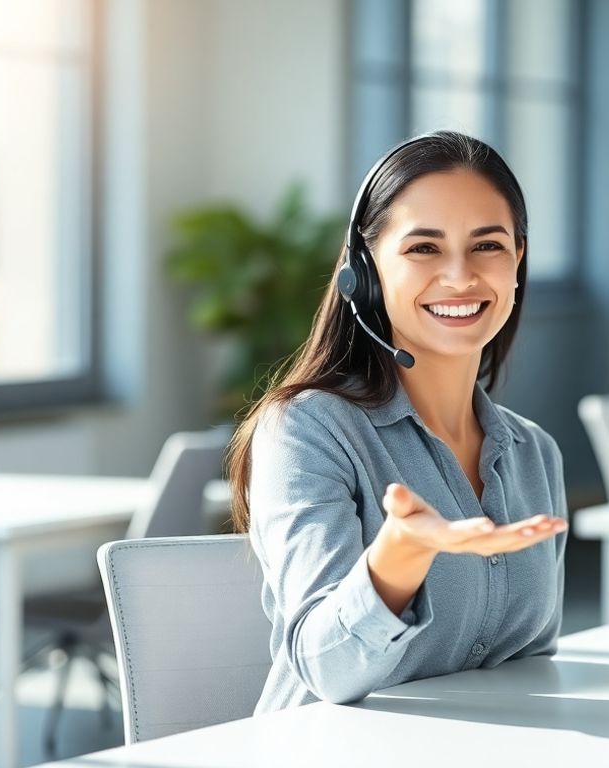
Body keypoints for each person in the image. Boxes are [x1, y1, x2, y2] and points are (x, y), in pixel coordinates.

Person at [227, 131, 569, 712]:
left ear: (518, 262)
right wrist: (402, 554)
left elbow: (529, 666)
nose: (460, 277)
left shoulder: (533, 451)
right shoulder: (306, 431)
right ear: (366, 272)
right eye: (424, 249)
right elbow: (326, 669)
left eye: (487, 246)